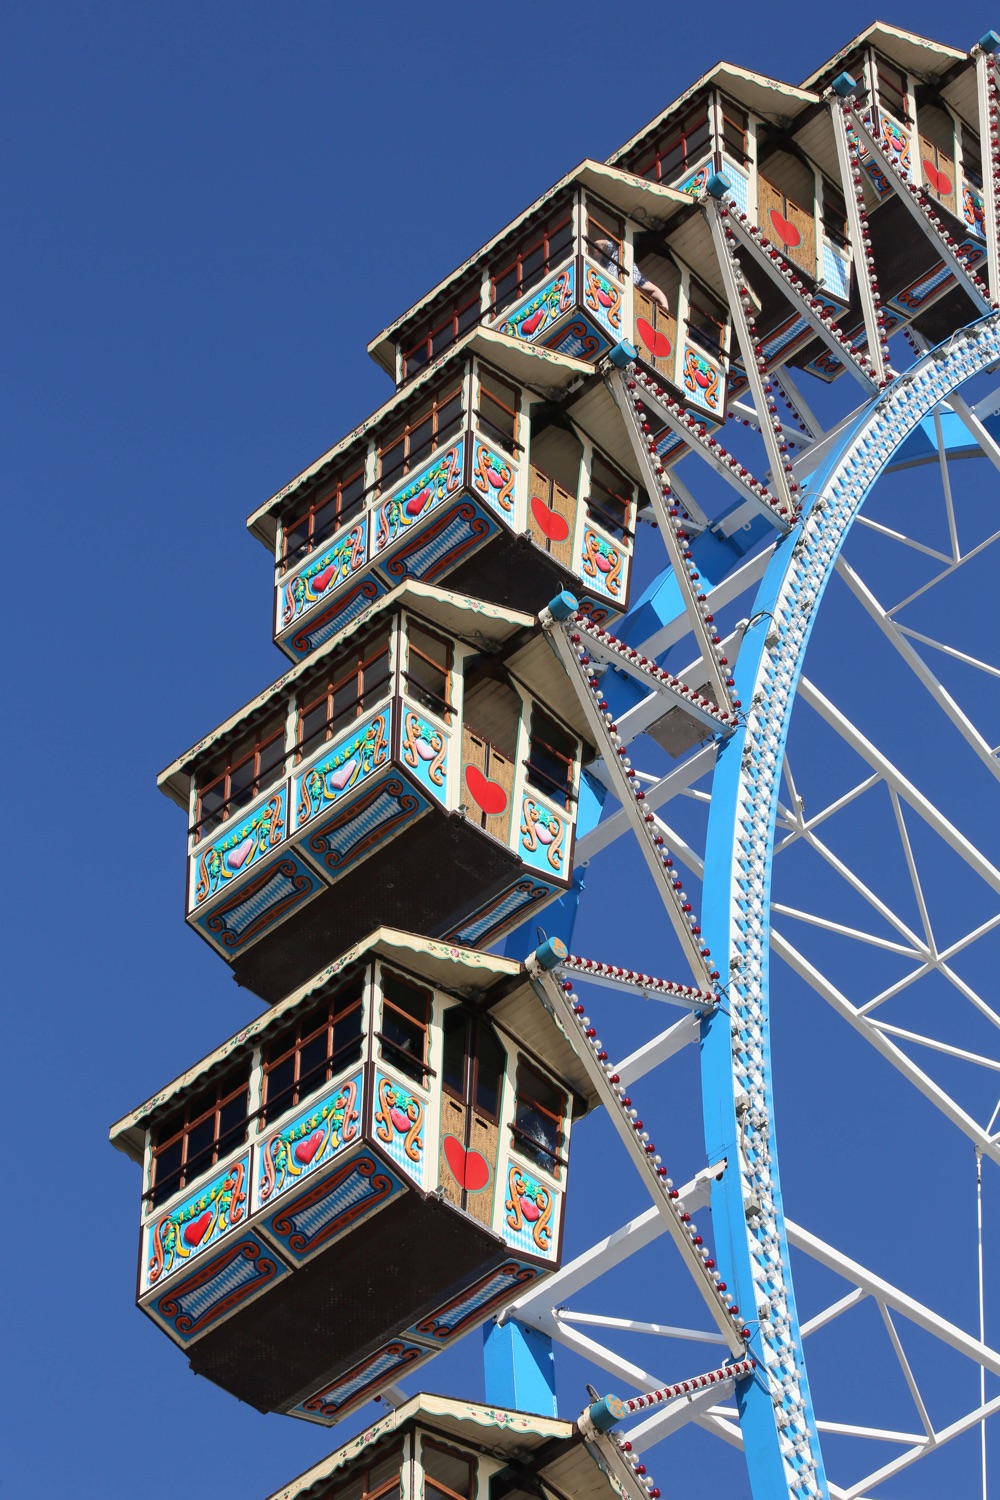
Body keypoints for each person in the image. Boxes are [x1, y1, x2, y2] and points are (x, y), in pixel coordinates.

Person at [594, 236, 670, 314]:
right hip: (608, 293)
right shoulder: (616, 249)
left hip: (618, 303)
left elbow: (655, 291)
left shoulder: (634, 270)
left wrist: (665, 309)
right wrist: (597, 261)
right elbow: (599, 243)